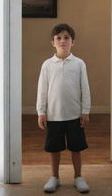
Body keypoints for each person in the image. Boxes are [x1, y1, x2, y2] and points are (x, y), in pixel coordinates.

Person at [36, 23, 91, 193]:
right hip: (53, 116)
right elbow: (42, 90)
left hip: (74, 115)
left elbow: (85, 88)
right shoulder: (47, 65)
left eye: (66, 37)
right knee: (54, 148)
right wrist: (41, 112)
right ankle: (54, 177)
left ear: (72, 41)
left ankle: (78, 177)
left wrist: (85, 111)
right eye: (58, 38)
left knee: (76, 147)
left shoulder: (79, 64)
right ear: (53, 42)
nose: (62, 41)